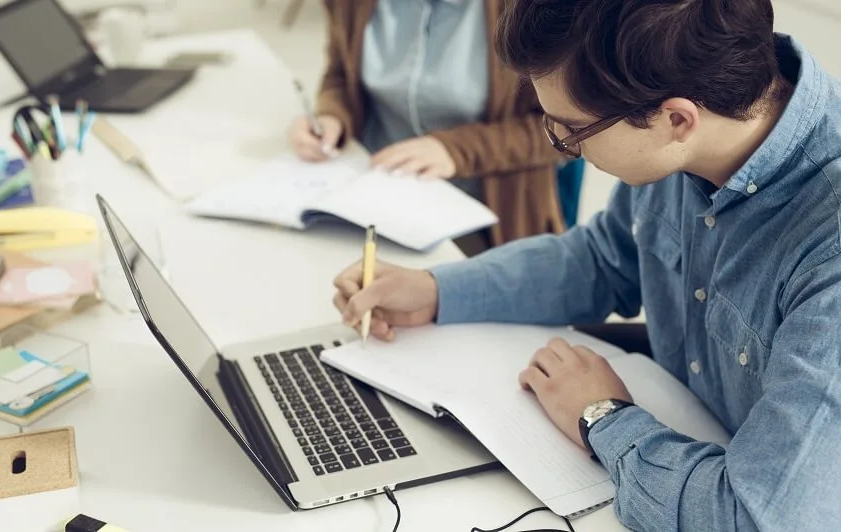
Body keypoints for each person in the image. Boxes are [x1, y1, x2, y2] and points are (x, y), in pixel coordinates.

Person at [331, 0, 841, 530]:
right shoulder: (696, 124)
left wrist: (601, 415)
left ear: (676, 120)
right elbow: (601, 258)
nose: (561, 145)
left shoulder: (828, 249)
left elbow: (754, 519)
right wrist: (437, 289)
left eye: (569, 131)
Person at [288, 0, 567, 253]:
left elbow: (565, 131)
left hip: (487, 218)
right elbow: (340, 73)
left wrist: (456, 150)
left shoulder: (532, 10)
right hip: (374, 197)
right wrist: (332, 116)